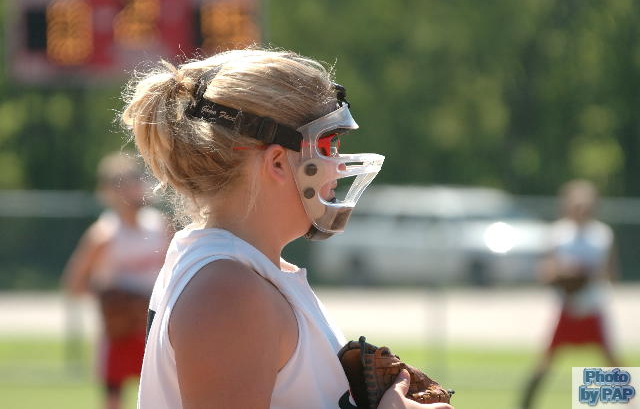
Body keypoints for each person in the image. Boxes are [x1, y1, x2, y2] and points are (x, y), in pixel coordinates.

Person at [120, 48, 454, 409]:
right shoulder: (230, 292)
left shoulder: (248, 274)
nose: (337, 163)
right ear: (278, 161)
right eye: (327, 144)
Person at [62, 152, 170, 409]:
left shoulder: (159, 226)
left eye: (134, 181)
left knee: (164, 397)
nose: (131, 190)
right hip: (119, 332)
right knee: (114, 399)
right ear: (107, 192)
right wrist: (108, 299)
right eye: (121, 184)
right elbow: (73, 284)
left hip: (154, 326)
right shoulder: (104, 235)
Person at [520, 179, 620, 409]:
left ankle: (631, 402)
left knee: (611, 361)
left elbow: (612, 272)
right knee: (545, 361)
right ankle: (525, 404)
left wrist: (587, 275)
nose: (581, 210)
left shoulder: (602, 234)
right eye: (576, 205)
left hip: (592, 306)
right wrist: (564, 274)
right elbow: (545, 270)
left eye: (586, 205)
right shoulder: (558, 233)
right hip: (567, 307)